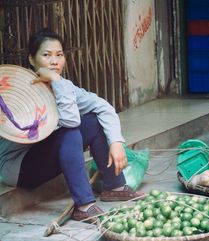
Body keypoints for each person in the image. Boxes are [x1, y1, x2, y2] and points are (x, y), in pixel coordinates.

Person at [0, 28, 144, 222]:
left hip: (45, 157)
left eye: (59, 55)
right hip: (18, 167)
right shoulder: (22, 92)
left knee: (94, 121)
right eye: (46, 55)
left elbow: (103, 107)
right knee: (70, 132)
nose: (54, 61)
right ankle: (84, 205)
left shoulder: (64, 86)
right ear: (32, 59)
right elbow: (70, 122)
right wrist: (57, 80)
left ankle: (114, 186)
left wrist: (116, 142)